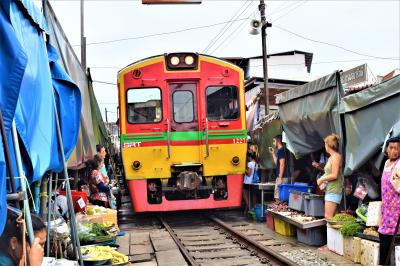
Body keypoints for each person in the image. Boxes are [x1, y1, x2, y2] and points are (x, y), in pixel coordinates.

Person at [378, 136, 400, 266]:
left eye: (396, 148)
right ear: (386, 149)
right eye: (391, 148)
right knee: (383, 235)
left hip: (397, 208)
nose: (393, 151)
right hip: (386, 208)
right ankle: (383, 263)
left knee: (391, 237)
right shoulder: (386, 163)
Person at [316, 134, 343, 218]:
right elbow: (328, 173)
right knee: (333, 217)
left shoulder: (336, 157)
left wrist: (321, 179)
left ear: (328, 145)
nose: (324, 146)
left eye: (325, 144)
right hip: (330, 189)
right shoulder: (332, 157)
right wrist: (321, 180)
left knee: (328, 217)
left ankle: (330, 232)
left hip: (334, 190)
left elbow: (335, 175)